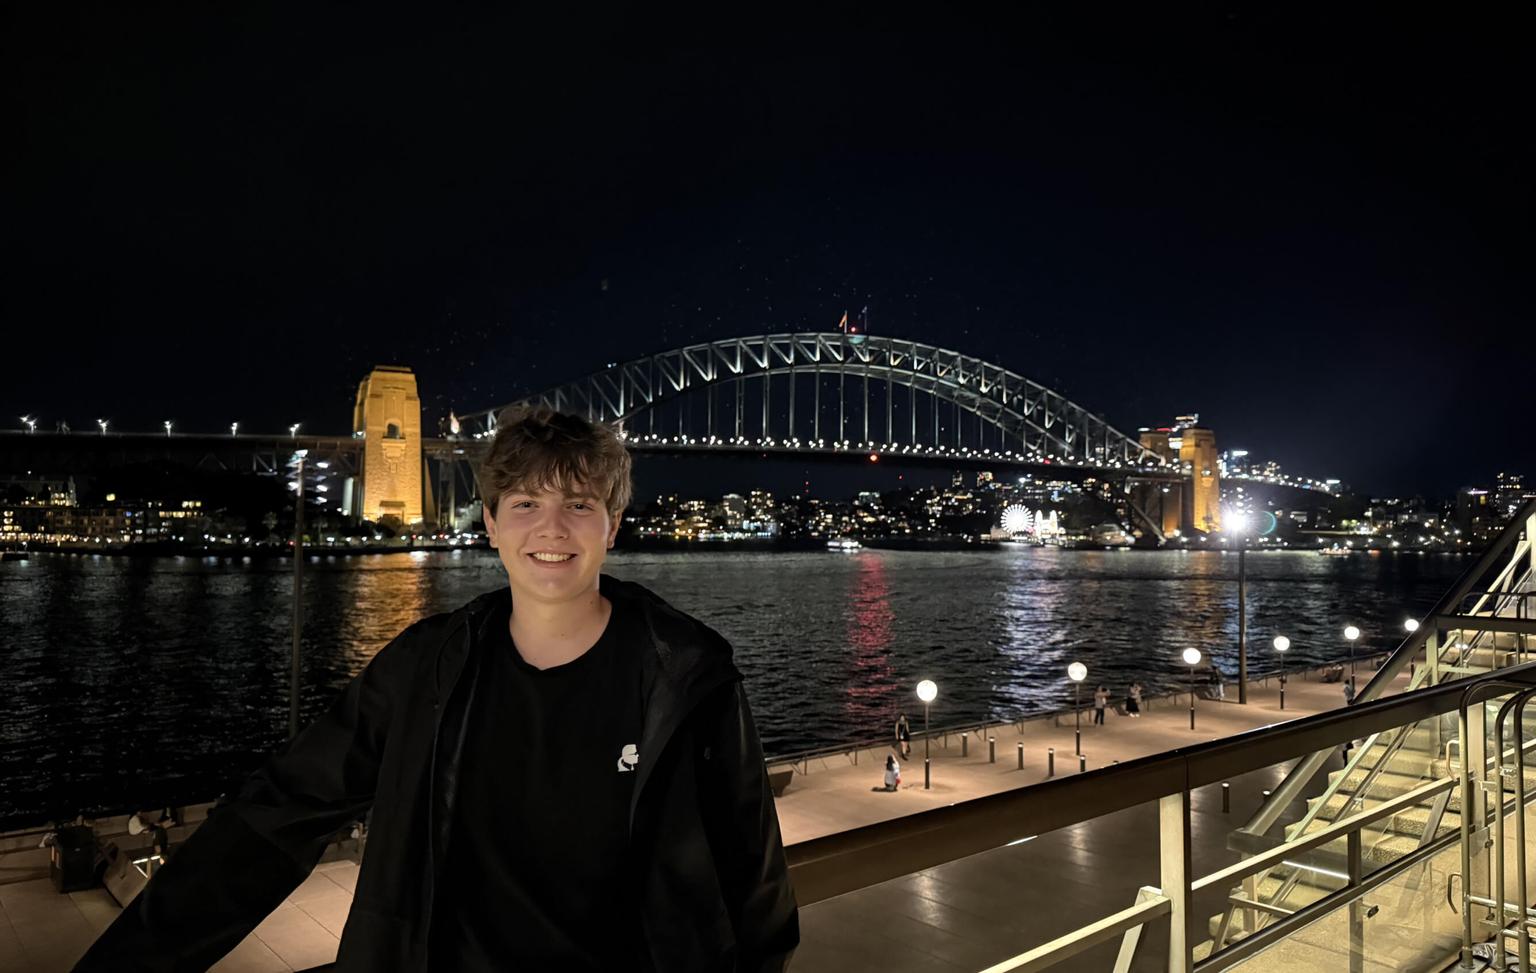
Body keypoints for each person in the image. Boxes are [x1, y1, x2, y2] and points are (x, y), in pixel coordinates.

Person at [77, 406, 799, 972]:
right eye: (524, 504)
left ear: (612, 525)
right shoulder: (423, 670)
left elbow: (755, 882)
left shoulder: (691, 677)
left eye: (579, 504)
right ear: (490, 523)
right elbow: (274, 818)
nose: (551, 527)